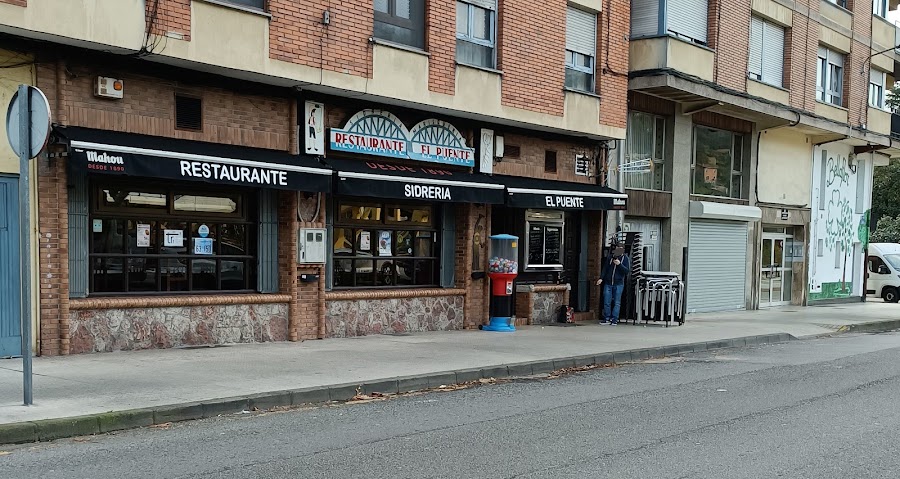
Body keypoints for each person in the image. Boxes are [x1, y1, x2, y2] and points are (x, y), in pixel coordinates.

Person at [596, 242, 631, 325]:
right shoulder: (610, 257)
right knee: (606, 301)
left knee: (616, 302)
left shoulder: (625, 259)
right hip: (608, 282)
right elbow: (605, 268)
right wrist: (601, 278)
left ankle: (614, 318)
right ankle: (607, 318)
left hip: (618, 283)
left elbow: (626, 271)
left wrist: (619, 264)